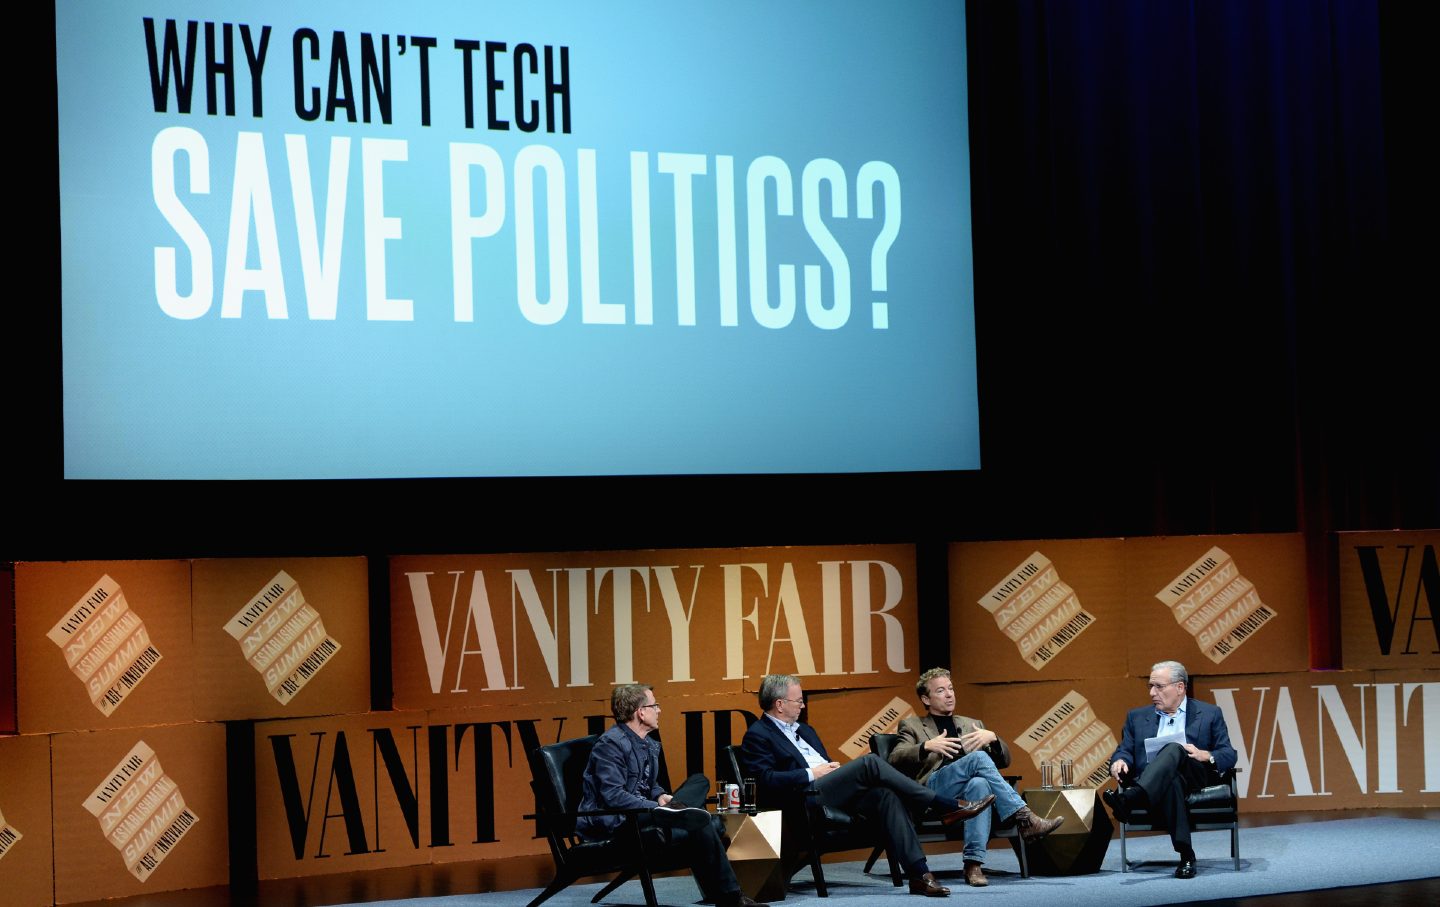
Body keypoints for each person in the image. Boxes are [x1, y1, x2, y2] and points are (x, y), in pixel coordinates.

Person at [740, 673, 997, 898]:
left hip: (832, 790)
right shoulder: (758, 735)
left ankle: (920, 874)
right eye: (798, 700)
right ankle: (943, 804)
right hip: (805, 798)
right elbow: (765, 781)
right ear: (779, 704)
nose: (803, 704)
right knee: (870, 764)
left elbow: (825, 765)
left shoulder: (805, 730)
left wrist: (832, 770)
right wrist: (811, 772)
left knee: (885, 795)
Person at [578, 683, 764, 907]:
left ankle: (676, 812)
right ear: (641, 712)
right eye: (654, 705)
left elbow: (650, 784)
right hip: (619, 820)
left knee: (699, 781)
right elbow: (613, 796)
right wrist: (653, 806)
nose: (659, 710)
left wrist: (661, 797)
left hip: (647, 812)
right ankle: (731, 898)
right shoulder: (610, 745)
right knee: (701, 821)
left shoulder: (647, 744)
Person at [890, 668, 1064, 887]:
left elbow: (1005, 761)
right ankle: (1025, 818)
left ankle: (973, 865)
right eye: (941, 690)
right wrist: (926, 746)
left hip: (967, 793)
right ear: (926, 698)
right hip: (935, 790)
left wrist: (993, 739)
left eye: (951, 689)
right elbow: (894, 758)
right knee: (978, 759)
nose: (949, 694)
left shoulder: (972, 723)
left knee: (980, 784)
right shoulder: (912, 725)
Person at [1103, 660, 1237, 879]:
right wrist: (1119, 761)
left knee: (1174, 748)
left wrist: (1206, 755)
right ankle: (1186, 855)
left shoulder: (1210, 713)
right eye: (1150, 687)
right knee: (1171, 780)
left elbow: (1229, 754)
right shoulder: (1136, 717)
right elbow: (1124, 750)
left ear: (1180, 687)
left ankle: (1132, 797)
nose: (1152, 693)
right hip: (1159, 781)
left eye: (1159, 686)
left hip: (1195, 775)